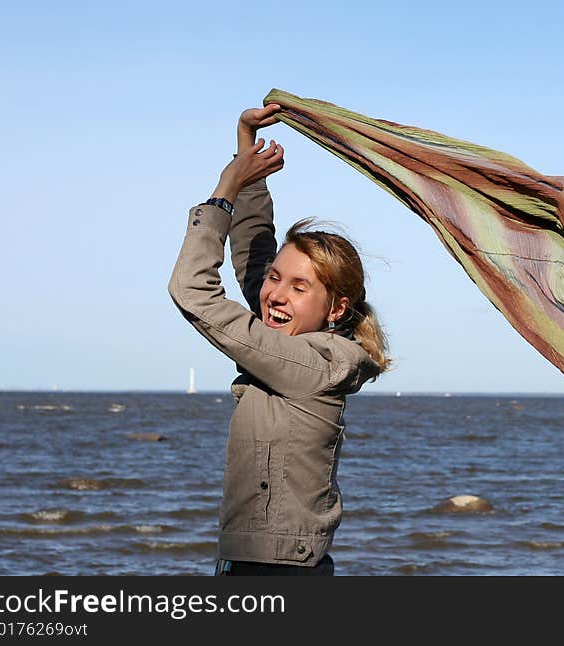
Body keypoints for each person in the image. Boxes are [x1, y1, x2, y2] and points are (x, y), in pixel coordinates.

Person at [168, 104, 391, 575]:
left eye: (300, 286)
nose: (276, 294)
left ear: (336, 308)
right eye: (276, 278)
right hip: (255, 563)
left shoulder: (310, 365)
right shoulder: (289, 336)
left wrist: (227, 186)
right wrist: (248, 149)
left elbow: (192, 292)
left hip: (280, 573)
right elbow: (255, 247)